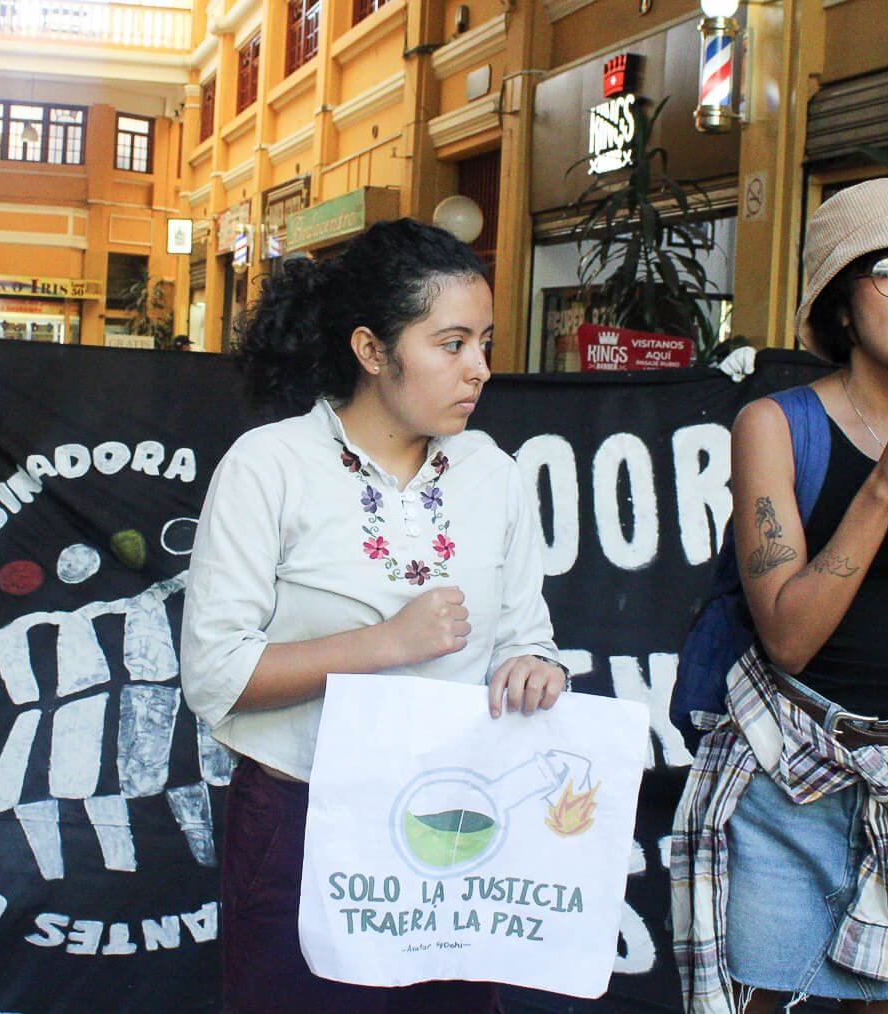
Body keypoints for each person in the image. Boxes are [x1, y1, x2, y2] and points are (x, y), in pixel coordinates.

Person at [180, 218, 570, 1013]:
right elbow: (215, 677)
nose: (480, 370)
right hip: (302, 817)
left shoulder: (493, 473)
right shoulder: (270, 465)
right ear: (370, 349)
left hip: (456, 818)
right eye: (451, 344)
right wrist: (386, 642)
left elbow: (527, 637)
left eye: (485, 344)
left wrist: (536, 668)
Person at [672, 178, 888, 1013]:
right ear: (839, 301)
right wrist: (883, 489)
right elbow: (789, 636)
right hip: (786, 784)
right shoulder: (774, 426)